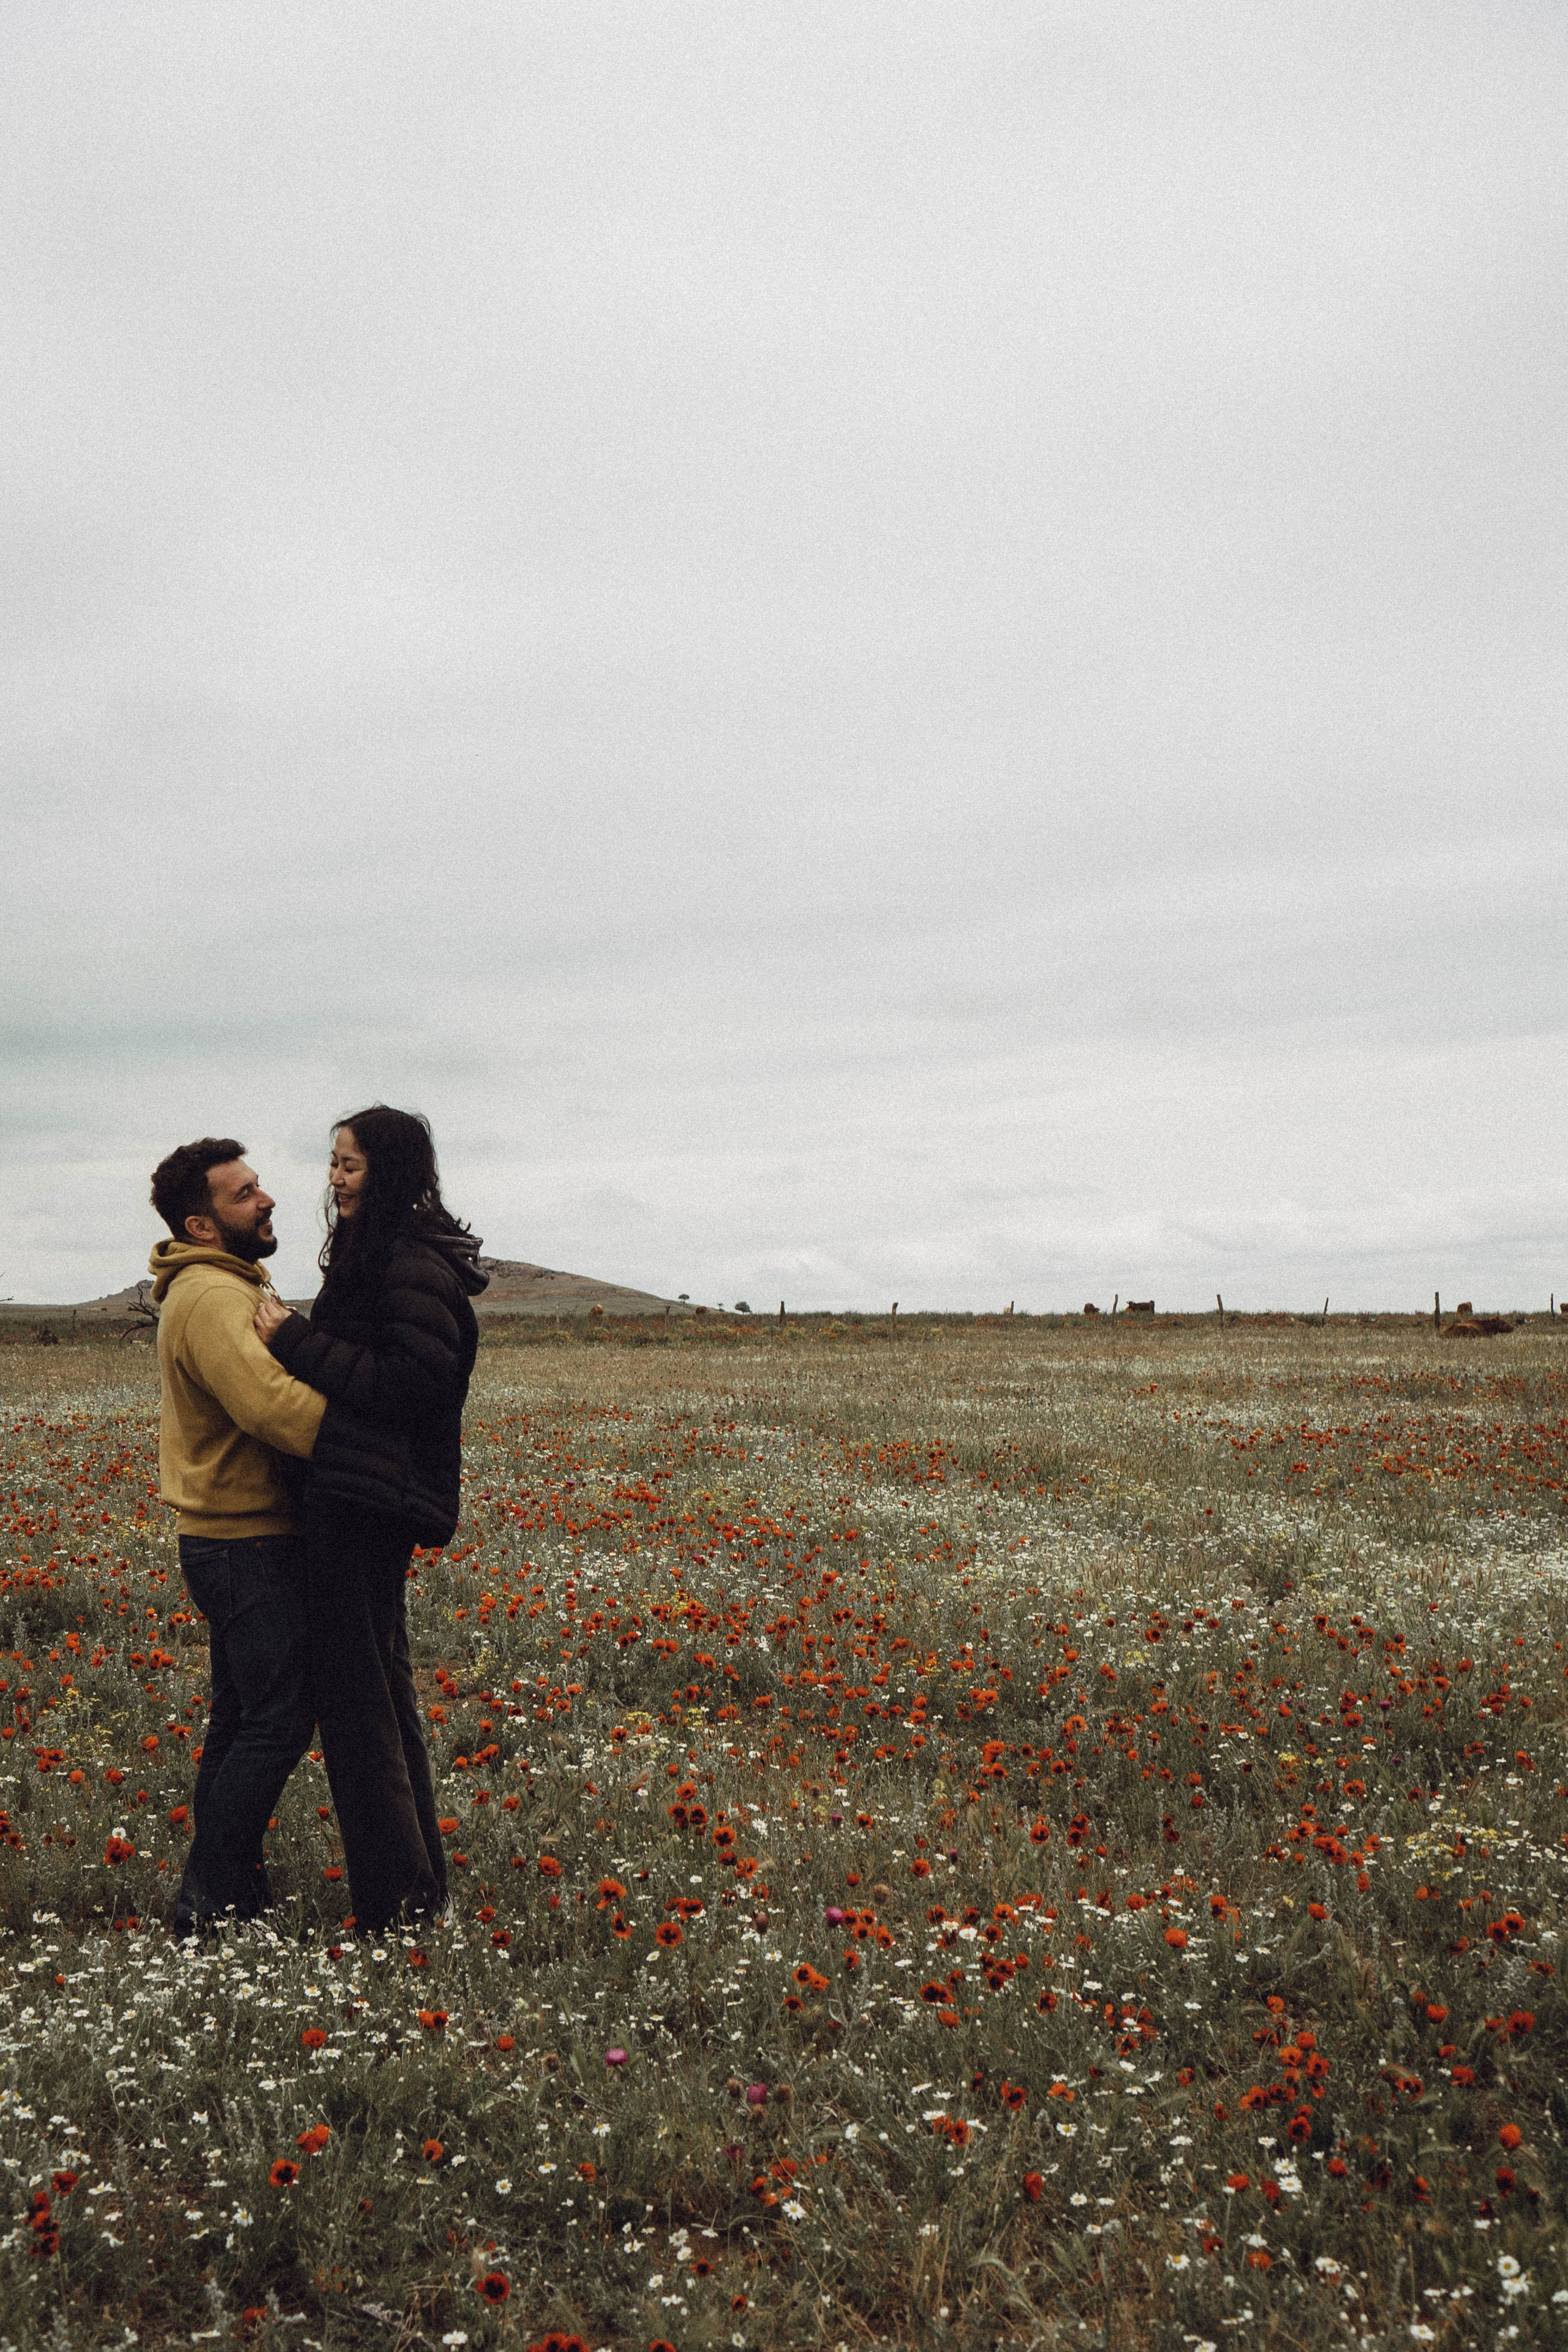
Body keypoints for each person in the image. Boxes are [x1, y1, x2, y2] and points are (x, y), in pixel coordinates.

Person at [254, 1106, 488, 1934]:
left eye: (349, 1165)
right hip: (362, 1495)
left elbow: (408, 1384)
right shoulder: (384, 1252)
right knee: (380, 1694)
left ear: (386, 1170)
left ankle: (397, 1908)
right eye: (332, 1163)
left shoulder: (406, 1261)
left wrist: (293, 1341)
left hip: (364, 1501)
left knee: (358, 1707)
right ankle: (420, 1896)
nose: (334, 1177)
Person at [148, 1138, 327, 1936]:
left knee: (241, 1718)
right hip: (244, 1542)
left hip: (225, 1539)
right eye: (245, 1193)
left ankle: (228, 1891)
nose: (268, 1200)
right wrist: (375, 1430)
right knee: (279, 1720)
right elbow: (272, 1409)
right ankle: (209, 1898)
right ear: (204, 1222)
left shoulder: (214, 1285)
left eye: (260, 1186)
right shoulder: (215, 1299)